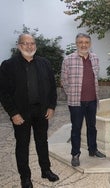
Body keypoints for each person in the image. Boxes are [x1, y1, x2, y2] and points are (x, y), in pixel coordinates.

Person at [0, 34, 59, 188]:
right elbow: (3, 92)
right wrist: (13, 113)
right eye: (25, 43)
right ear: (19, 45)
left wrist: (51, 106)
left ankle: (46, 170)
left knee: (42, 142)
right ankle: (25, 177)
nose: (29, 46)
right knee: (22, 145)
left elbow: (53, 87)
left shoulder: (44, 63)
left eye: (32, 43)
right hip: (21, 114)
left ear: (35, 45)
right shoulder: (8, 65)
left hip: (41, 111)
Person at [61, 33, 106, 167]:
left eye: (86, 42)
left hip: (92, 100)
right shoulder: (68, 60)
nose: (83, 44)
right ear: (76, 44)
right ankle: (75, 154)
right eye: (80, 42)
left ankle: (93, 150)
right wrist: (72, 94)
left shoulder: (95, 58)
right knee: (76, 128)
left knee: (92, 127)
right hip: (76, 102)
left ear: (90, 44)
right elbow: (63, 80)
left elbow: (95, 77)